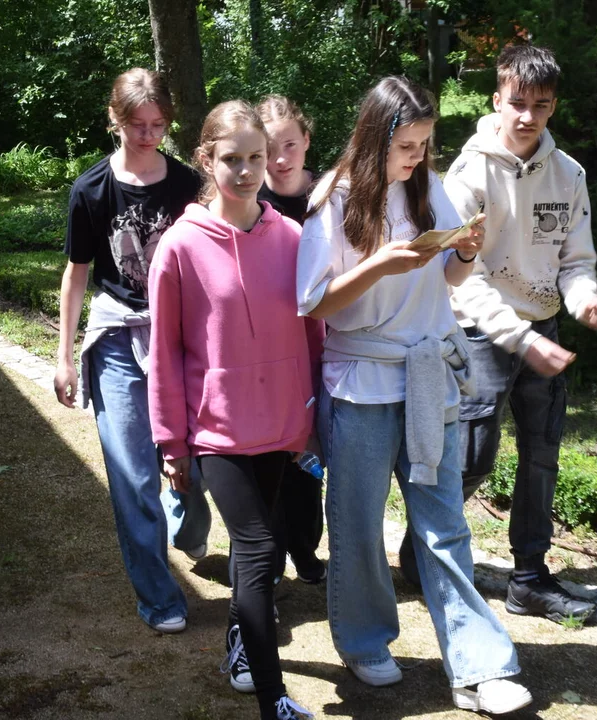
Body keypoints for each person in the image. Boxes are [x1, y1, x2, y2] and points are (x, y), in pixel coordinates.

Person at [298, 76, 533, 716]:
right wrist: (378, 266)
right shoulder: (334, 198)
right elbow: (313, 304)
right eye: (406, 145)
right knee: (356, 523)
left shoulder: (429, 189)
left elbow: (454, 278)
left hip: (429, 374)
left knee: (444, 525)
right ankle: (365, 639)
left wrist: (464, 251)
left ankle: (480, 665)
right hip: (361, 384)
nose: (416, 158)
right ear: (375, 138)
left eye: (424, 145)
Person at [148, 99, 321, 720]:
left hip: (281, 425)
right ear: (206, 159)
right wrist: (172, 442)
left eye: (256, 157)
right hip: (217, 430)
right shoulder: (179, 247)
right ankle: (274, 699)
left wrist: (314, 418)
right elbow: (165, 352)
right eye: (232, 159)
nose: (248, 170)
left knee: (268, 548)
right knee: (253, 545)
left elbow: (314, 336)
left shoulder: (296, 239)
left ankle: (240, 643)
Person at [433, 44, 597, 622]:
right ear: (497, 98)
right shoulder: (467, 175)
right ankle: (432, 556)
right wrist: (521, 339)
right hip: (483, 336)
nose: (527, 116)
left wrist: (585, 301)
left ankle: (529, 579)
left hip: (544, 327)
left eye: (540, 105)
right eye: (517, 103)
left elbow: (574, 260)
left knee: (542, 456)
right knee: (473, 459)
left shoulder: (570, 175)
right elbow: (464, 281)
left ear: (553, 105)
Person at [53, 67, 208, 634]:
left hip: (183, 336)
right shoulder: (90, 189)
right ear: (114, 121)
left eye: (158, 125)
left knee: (199, 459)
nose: (148, 136)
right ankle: (158, 596)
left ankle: (186, 518)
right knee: (132, 472)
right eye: (136, 126)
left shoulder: (191, 185)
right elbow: (76, 274)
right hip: (118, 336)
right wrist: (65, 355)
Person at [255, 94, 326, 585]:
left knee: (309, 455)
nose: (280, 161)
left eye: (290, 146)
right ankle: (272, 554)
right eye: (269, 149)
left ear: (306, 142)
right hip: (264, 345)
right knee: (268, 457)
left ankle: (305, 546)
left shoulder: (328, 196)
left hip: (322, 343)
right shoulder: (247, 199)